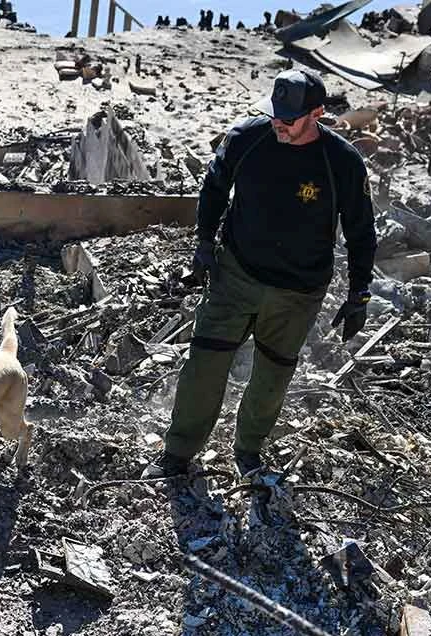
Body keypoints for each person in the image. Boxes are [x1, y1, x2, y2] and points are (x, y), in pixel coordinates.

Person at [142, 69, 377, 483]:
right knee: (204, 363)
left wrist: (359, 293)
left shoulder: (341, 161)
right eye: (274, 114)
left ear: (316, 114)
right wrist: (203, 242)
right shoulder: (247, 138)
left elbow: (361, 231)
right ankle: (177, 452)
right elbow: (214, 188)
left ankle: (248, 449)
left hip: (298, 291)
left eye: (289, 118)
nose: (278, 124)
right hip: (236, 274)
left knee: (273, 374)